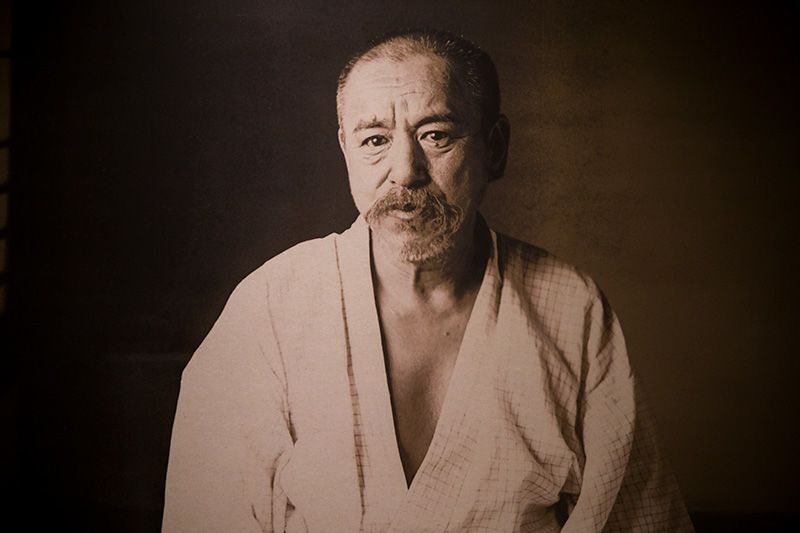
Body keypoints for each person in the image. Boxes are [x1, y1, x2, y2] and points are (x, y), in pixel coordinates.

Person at [162, 29, 693, 532]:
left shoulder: (571, 311)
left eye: (436, 136)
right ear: (346, 150)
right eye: (375, 140)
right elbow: (207, 515)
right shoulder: (272, 307)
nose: (405, 171)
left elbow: (635, 518)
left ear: (495, 148)